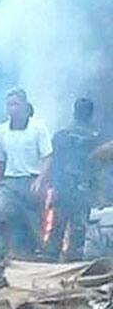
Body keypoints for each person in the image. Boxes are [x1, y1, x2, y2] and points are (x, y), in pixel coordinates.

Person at [0, 88, 53, 256]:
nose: (11, 108)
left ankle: (37, 253)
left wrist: (40, 179)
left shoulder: (38, 127)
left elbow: (47, 156)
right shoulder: (2, 130)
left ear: (24, 105)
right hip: (10, 183)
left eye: (15, 104)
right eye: (9, 105)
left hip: (31, 182)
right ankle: (9, 250)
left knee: (34, 225)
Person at [47, 98, 100, 260]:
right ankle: (72, 267)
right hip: (83, 191)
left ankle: (48, 265)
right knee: (78, 234)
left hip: (62, 188)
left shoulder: (60, 136)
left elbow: (53, 163)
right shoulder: (96, 139)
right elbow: (97, 168)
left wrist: (53, 187)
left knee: (56, 229)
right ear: (91, 114)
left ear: (74, 112)